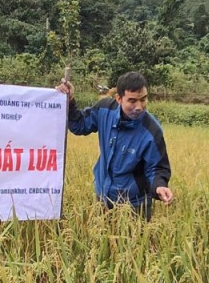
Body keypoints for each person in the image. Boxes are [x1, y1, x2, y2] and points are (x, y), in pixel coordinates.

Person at [56, 71, 174, 219]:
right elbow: (80, 125)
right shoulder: (105, 110)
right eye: (132, 101)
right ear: (119, 98)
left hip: (134, 205)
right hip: (103, 198)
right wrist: (70, 100)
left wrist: (160, 185)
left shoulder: (151, 131)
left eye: (143, 99)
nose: (139, 107)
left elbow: (157, 168)